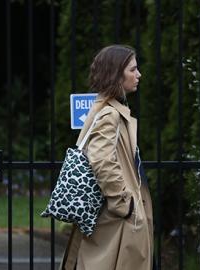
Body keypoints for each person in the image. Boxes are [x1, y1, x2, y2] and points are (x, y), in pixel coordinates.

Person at [60, 45, 154, 270]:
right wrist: (124, 204)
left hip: (115, 219)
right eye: (133, 69)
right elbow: (101, 160)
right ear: (116, 74)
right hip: (117, 222)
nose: (138, 74)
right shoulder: (110, 114)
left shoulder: (105, 109)